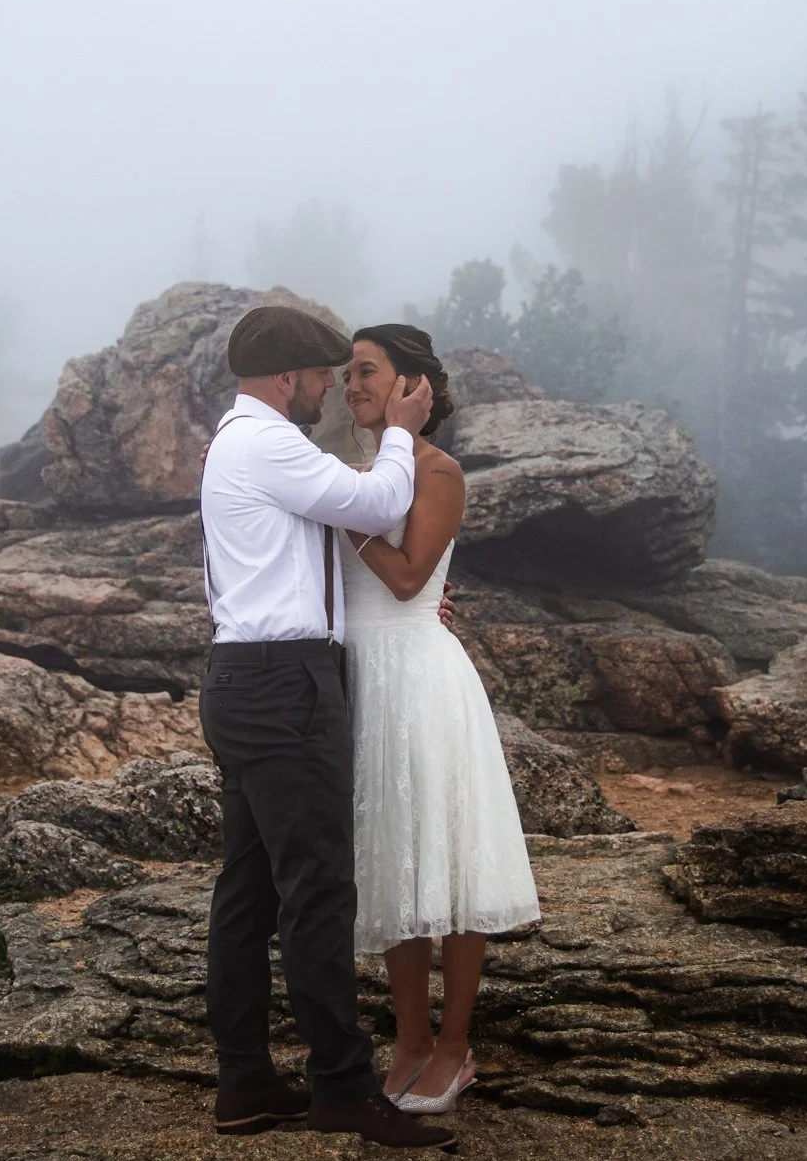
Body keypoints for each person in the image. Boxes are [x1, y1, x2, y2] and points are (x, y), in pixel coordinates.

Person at [197, 304, 458, 1152]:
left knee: (249, 891)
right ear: (287, 377)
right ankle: (343, 1087)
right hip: (284, 686)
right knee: (317, 891)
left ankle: (244, 1079)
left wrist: (384, 608)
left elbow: (301, 555)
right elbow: (380, 497)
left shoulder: (233, 443)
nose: (329, 392)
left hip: (242, 676)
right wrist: (402, 430)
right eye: (320, 376)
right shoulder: (270, 441)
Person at [340, 324, 541, 1115]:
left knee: (447, 860)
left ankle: (455, 1045)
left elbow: (409, 576)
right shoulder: (357, 470)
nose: (351, 383)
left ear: (411, 387)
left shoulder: (437, 469)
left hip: (419, 678)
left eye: (367, 371)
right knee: (394, 859)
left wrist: (348, 523)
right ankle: (411, 1040)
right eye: (348, 371)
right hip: (362, 679)